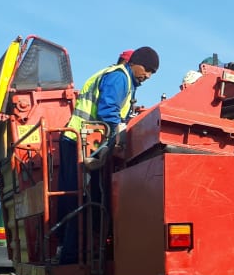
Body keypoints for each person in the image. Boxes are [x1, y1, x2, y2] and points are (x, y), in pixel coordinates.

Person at [57, 46, 160, 263]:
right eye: (148, 70)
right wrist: (119, 132)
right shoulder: (119, 78)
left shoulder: (123, 79)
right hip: (80, 143)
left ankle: (78, 251)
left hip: (84, 143)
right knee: (81, 199)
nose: (148, 76)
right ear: (136, 63)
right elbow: (108, 110)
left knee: (86, 198)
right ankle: (70, 257)